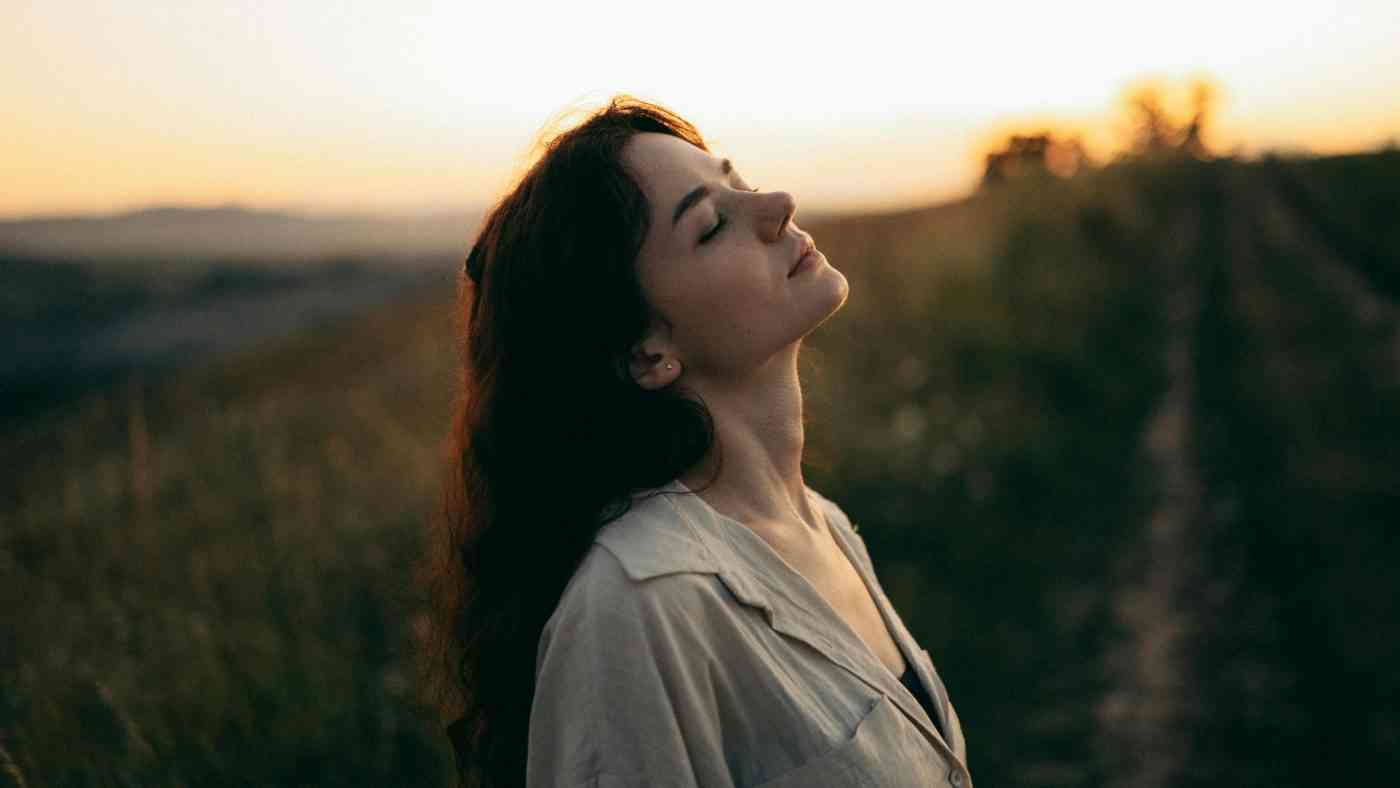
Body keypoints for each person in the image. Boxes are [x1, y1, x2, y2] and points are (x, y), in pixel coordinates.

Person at [421, 95, 971, 788]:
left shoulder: (823, 523)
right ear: (646, 352)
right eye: (711, 226)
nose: (777, 204)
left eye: (740, 184)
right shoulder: (639, 605)